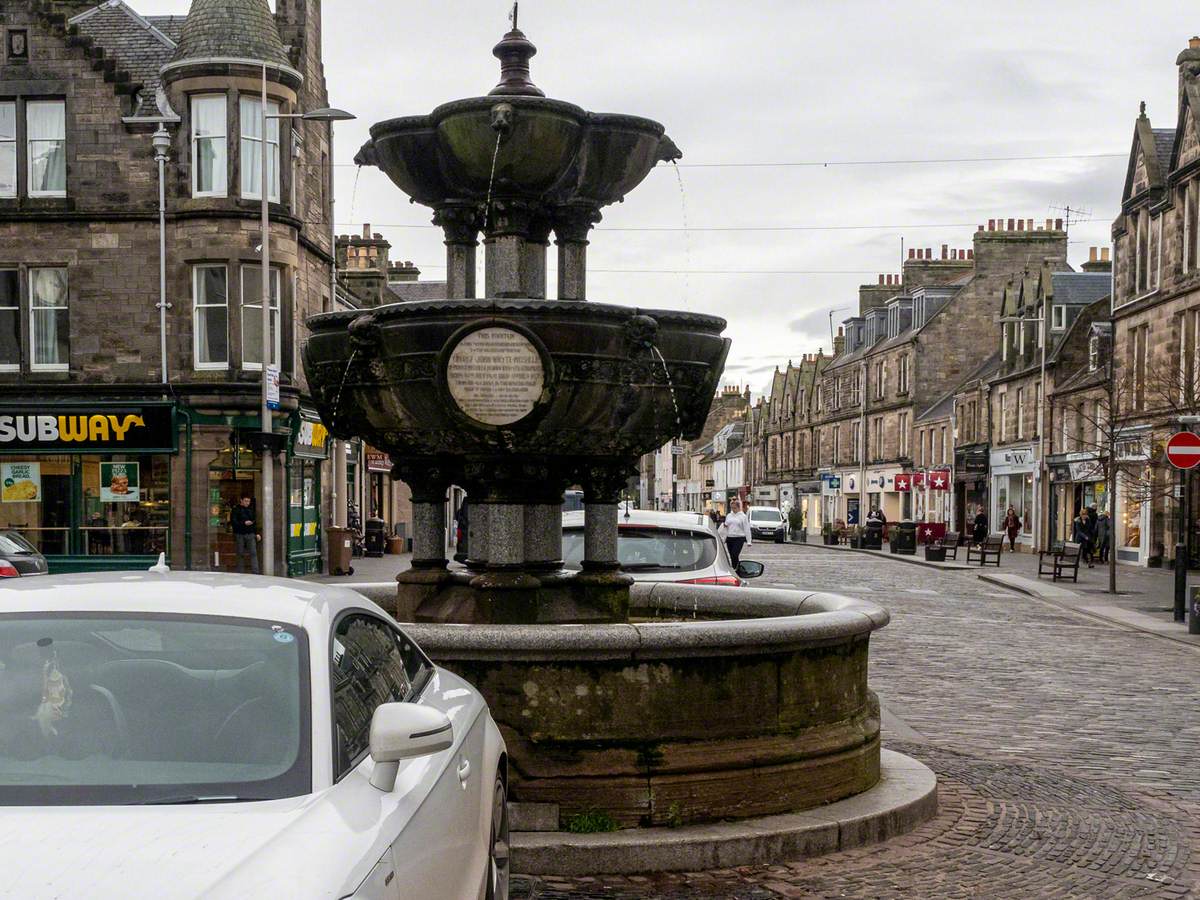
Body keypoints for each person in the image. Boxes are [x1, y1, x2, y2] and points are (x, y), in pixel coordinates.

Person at [231, 495, 259, 574]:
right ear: (241, 500)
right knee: (240, 553)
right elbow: (233, 522)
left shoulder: (251, 509)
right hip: (240, 534)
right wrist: (243, 523)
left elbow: (254, 522)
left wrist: (256, 533)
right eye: (246, 501)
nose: (247, 503)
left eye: (249, 501)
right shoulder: (236, 509)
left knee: (253, 553)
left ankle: (255, 571)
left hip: (250, 534)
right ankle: (240, 572)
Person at [721, 498, 752, 568]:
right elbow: (726, 527)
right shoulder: (729, 515)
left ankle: (736, 568)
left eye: (734, 508)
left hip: (739, 538)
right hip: (729, 538)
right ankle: (735, 569)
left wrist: (749, 541)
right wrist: (723, 538)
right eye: (732, 508)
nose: (733, 509)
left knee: (735, 554)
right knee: (731, 555)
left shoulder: (743, 516)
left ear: (738, 507)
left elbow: (747, 529)